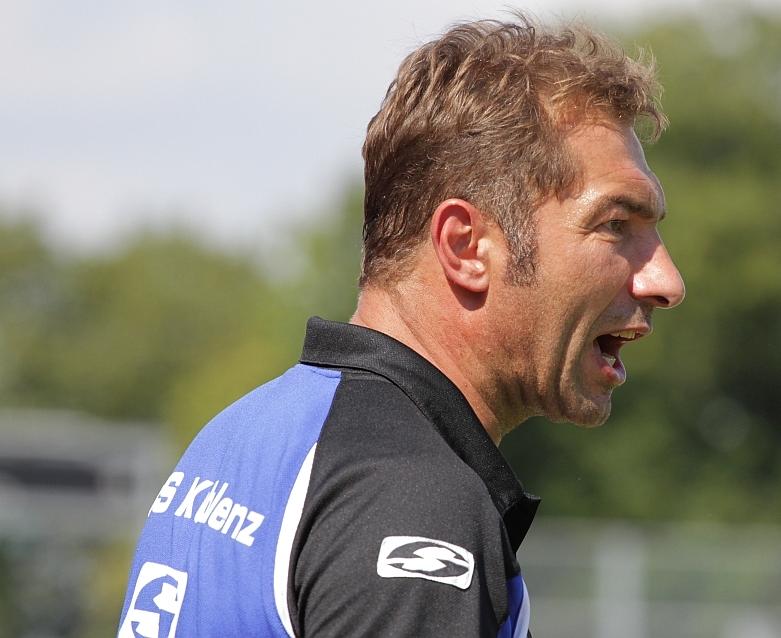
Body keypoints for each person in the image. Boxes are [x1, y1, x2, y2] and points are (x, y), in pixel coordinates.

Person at [117, 15, 684, 638]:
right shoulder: (414, 502)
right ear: (466, 247)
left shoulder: (243, 434)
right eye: (615, 225)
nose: (666, 280)